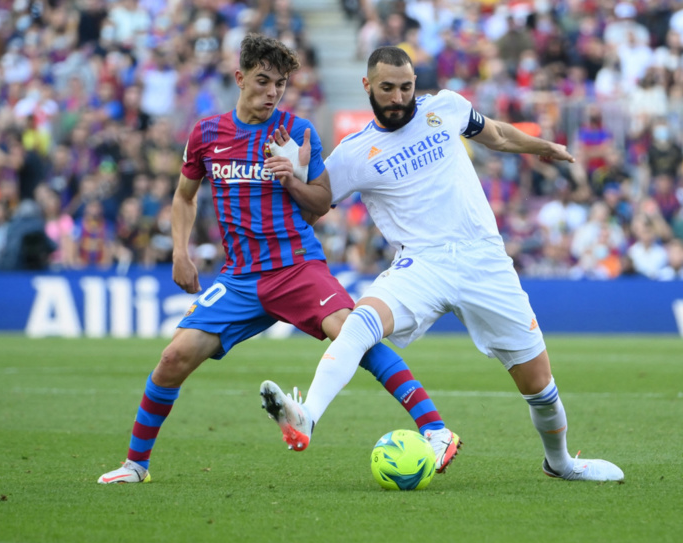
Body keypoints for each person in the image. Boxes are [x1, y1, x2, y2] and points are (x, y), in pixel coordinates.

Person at [97, 35, 459, 485]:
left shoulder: (297, 132)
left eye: (280, 84)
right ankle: (136, 465)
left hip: (296, 266)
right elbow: (184, 197)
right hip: (240, 279)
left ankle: (436, 429)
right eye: (263, 81)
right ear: (240, 77)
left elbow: (322, 202)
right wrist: (179, 250)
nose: (272, 92)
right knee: (173, 358)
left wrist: (292, 176)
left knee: (353, 335)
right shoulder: (207, 135)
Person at [260, 46, 624, 482]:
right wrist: (295, 177)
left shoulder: (445, 107)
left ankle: (561, 463)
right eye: (388, 88)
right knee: (360, 323)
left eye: (406, 87)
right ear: (368, 87)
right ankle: (307, 417)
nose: (398, 97)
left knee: (540, 389)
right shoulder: (354, 153)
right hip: (422, 265)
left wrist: (543, 147)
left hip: (484, 260)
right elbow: (314, 206)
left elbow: (499, 135)